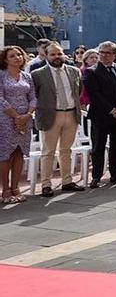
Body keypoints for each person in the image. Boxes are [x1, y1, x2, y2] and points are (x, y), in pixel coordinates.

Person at [32, 43, 84, 197]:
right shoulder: (37, 74)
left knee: (66, 151)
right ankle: (46, 185)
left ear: (64, 54)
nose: (56, 57)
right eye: (53, 54)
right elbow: (34, 95)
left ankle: (67, 181)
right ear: (46, 55)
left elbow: (78, 91)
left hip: (71, 114)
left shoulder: (74, 71)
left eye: (59, 54)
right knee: (48, 151)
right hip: (50, 116)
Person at [83, 41, 116, 187]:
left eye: (108, 53)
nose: (104, 56)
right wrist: (111, 110)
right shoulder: (91, 71)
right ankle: (96, 176)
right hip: (101, 115)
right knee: (98, 146)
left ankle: (115, 173)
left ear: (114, 55)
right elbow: (94, 94)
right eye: (102, 53)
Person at [0, 47, 35, 204]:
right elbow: (0, 98)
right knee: (6, 154)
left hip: (25, 119)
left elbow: (34, 97)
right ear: (5, 59)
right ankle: (5, 190)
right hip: (6, 119)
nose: (17, 58)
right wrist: (16, 116)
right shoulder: (1, 76)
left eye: (19, 55)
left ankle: (16, 188)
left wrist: (27, 115)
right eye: (12, 56)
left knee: (19, 152)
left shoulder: (27, 76)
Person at [78, 48, 99, 139]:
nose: (94, 59)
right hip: (86, 100)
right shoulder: (83, 70)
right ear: (86, 59)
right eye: (91, 57)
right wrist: (82, 102)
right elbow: (82, 88)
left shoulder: (98, 69)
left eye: (96, 57)